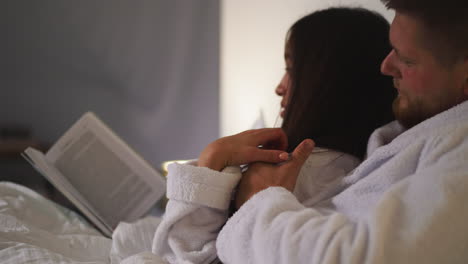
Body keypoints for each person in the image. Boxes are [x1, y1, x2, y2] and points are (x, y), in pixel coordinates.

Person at [209, 1, 468, 263]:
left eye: (407, 59)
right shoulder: (398, 142)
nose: (386, 67)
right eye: (391, 50)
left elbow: (363, 256)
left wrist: (258, 201)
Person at [136, 7, 396, 264]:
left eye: (292, 70)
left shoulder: (301, 171)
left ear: (330, 80)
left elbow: (182, 256)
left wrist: (211, 160)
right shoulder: (356, 164)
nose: (279, 87)